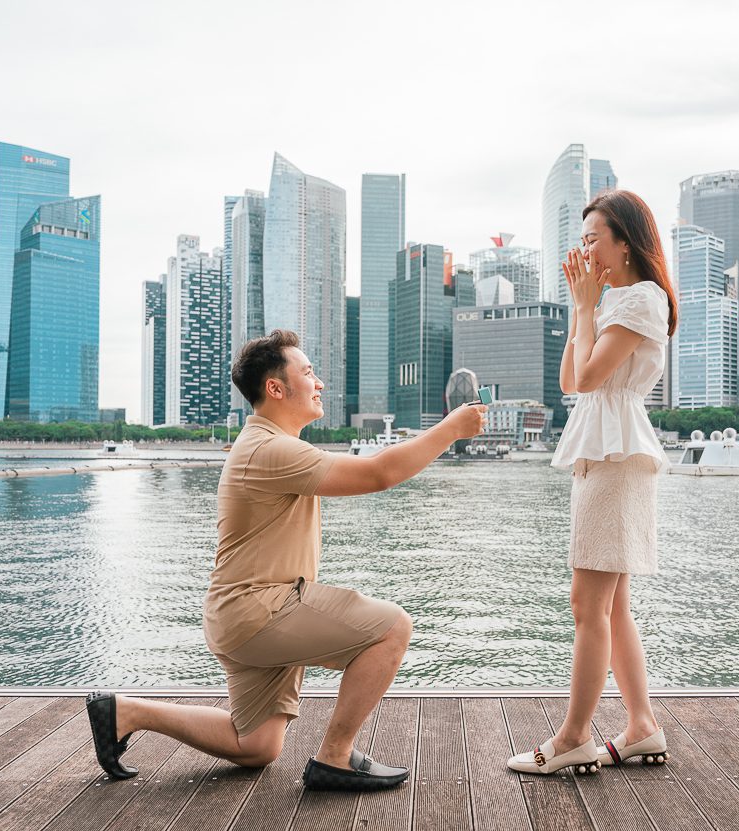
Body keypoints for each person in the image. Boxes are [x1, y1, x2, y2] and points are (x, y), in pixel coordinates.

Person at [86, 329, 486, 791]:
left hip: (241, 615)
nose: (320, 385)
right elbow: (379, 473)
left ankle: (128, 712)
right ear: (275, 389)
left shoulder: (267, 445)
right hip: (262, 609)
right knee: (392, 628)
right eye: (309, 373)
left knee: (255, 745)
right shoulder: (269, 449)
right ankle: (335, 758)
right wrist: (452, 428)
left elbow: (377, 464)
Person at [508, 190, 678, 775]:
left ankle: (575, 736)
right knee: (613, 604)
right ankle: (641, 725)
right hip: (604, 451)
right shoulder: (617, 302)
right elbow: (571, 380)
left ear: (624, 242)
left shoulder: (640, 299)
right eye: (581, 241)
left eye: (593, 239)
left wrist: (585, 308)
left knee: (589, 605)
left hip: (615, 455)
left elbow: (585, 377)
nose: (585, 251)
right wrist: (584, 306)